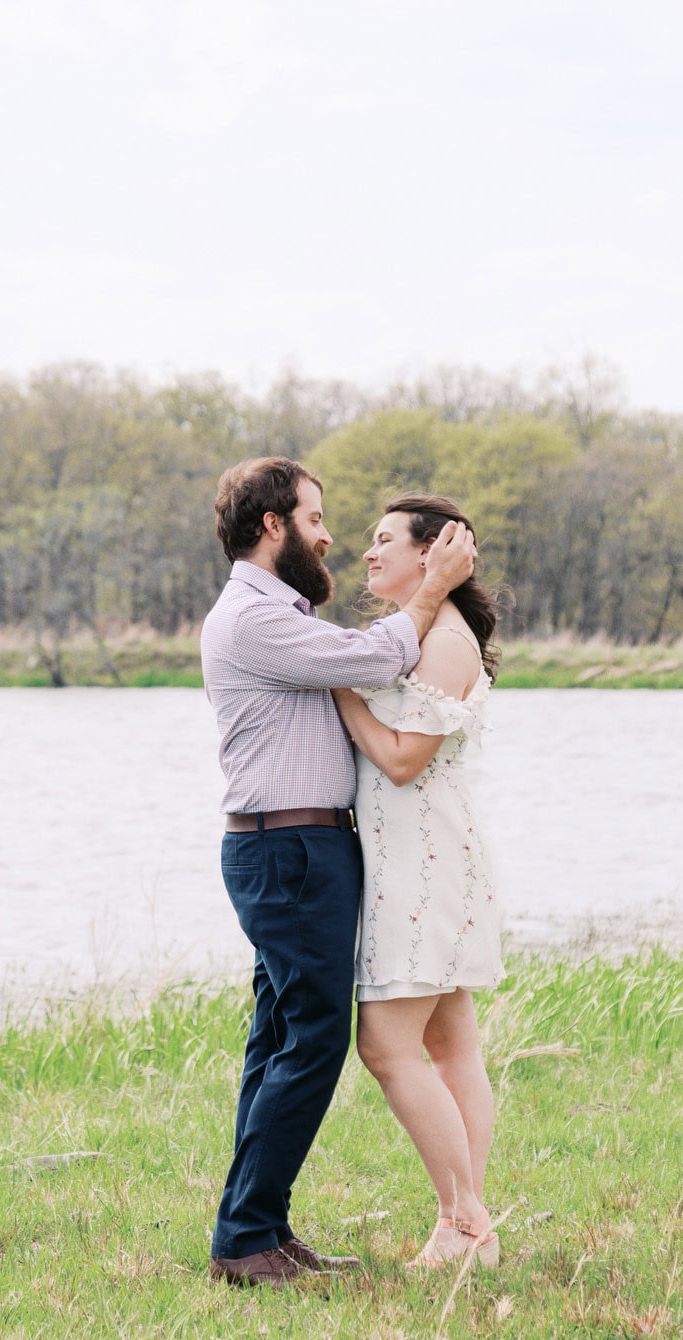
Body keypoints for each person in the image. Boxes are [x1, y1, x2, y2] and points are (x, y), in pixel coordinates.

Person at [200, 458, 478, 1289]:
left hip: (299, 849)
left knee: (282, 1039)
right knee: (312, 1039)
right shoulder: (254, 616)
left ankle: (257, 1232)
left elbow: (364, 663)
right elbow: (379, 656)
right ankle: (249, 1239)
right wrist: (432, 588)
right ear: (274, 526)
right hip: (287, 852)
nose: (329, 536)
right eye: (316, 518)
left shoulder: (277, 611)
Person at [330, 494, 506, 1268]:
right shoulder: (418, 633)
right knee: (448, 1042)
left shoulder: (447, 642)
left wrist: (340, 693)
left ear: (434, 554)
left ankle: (463, 1220)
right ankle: (465, 1228)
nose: (369, 555)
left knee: (386, 1046)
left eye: (384, 541)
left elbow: (404, 761)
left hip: (425, 864)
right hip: (425, 858)